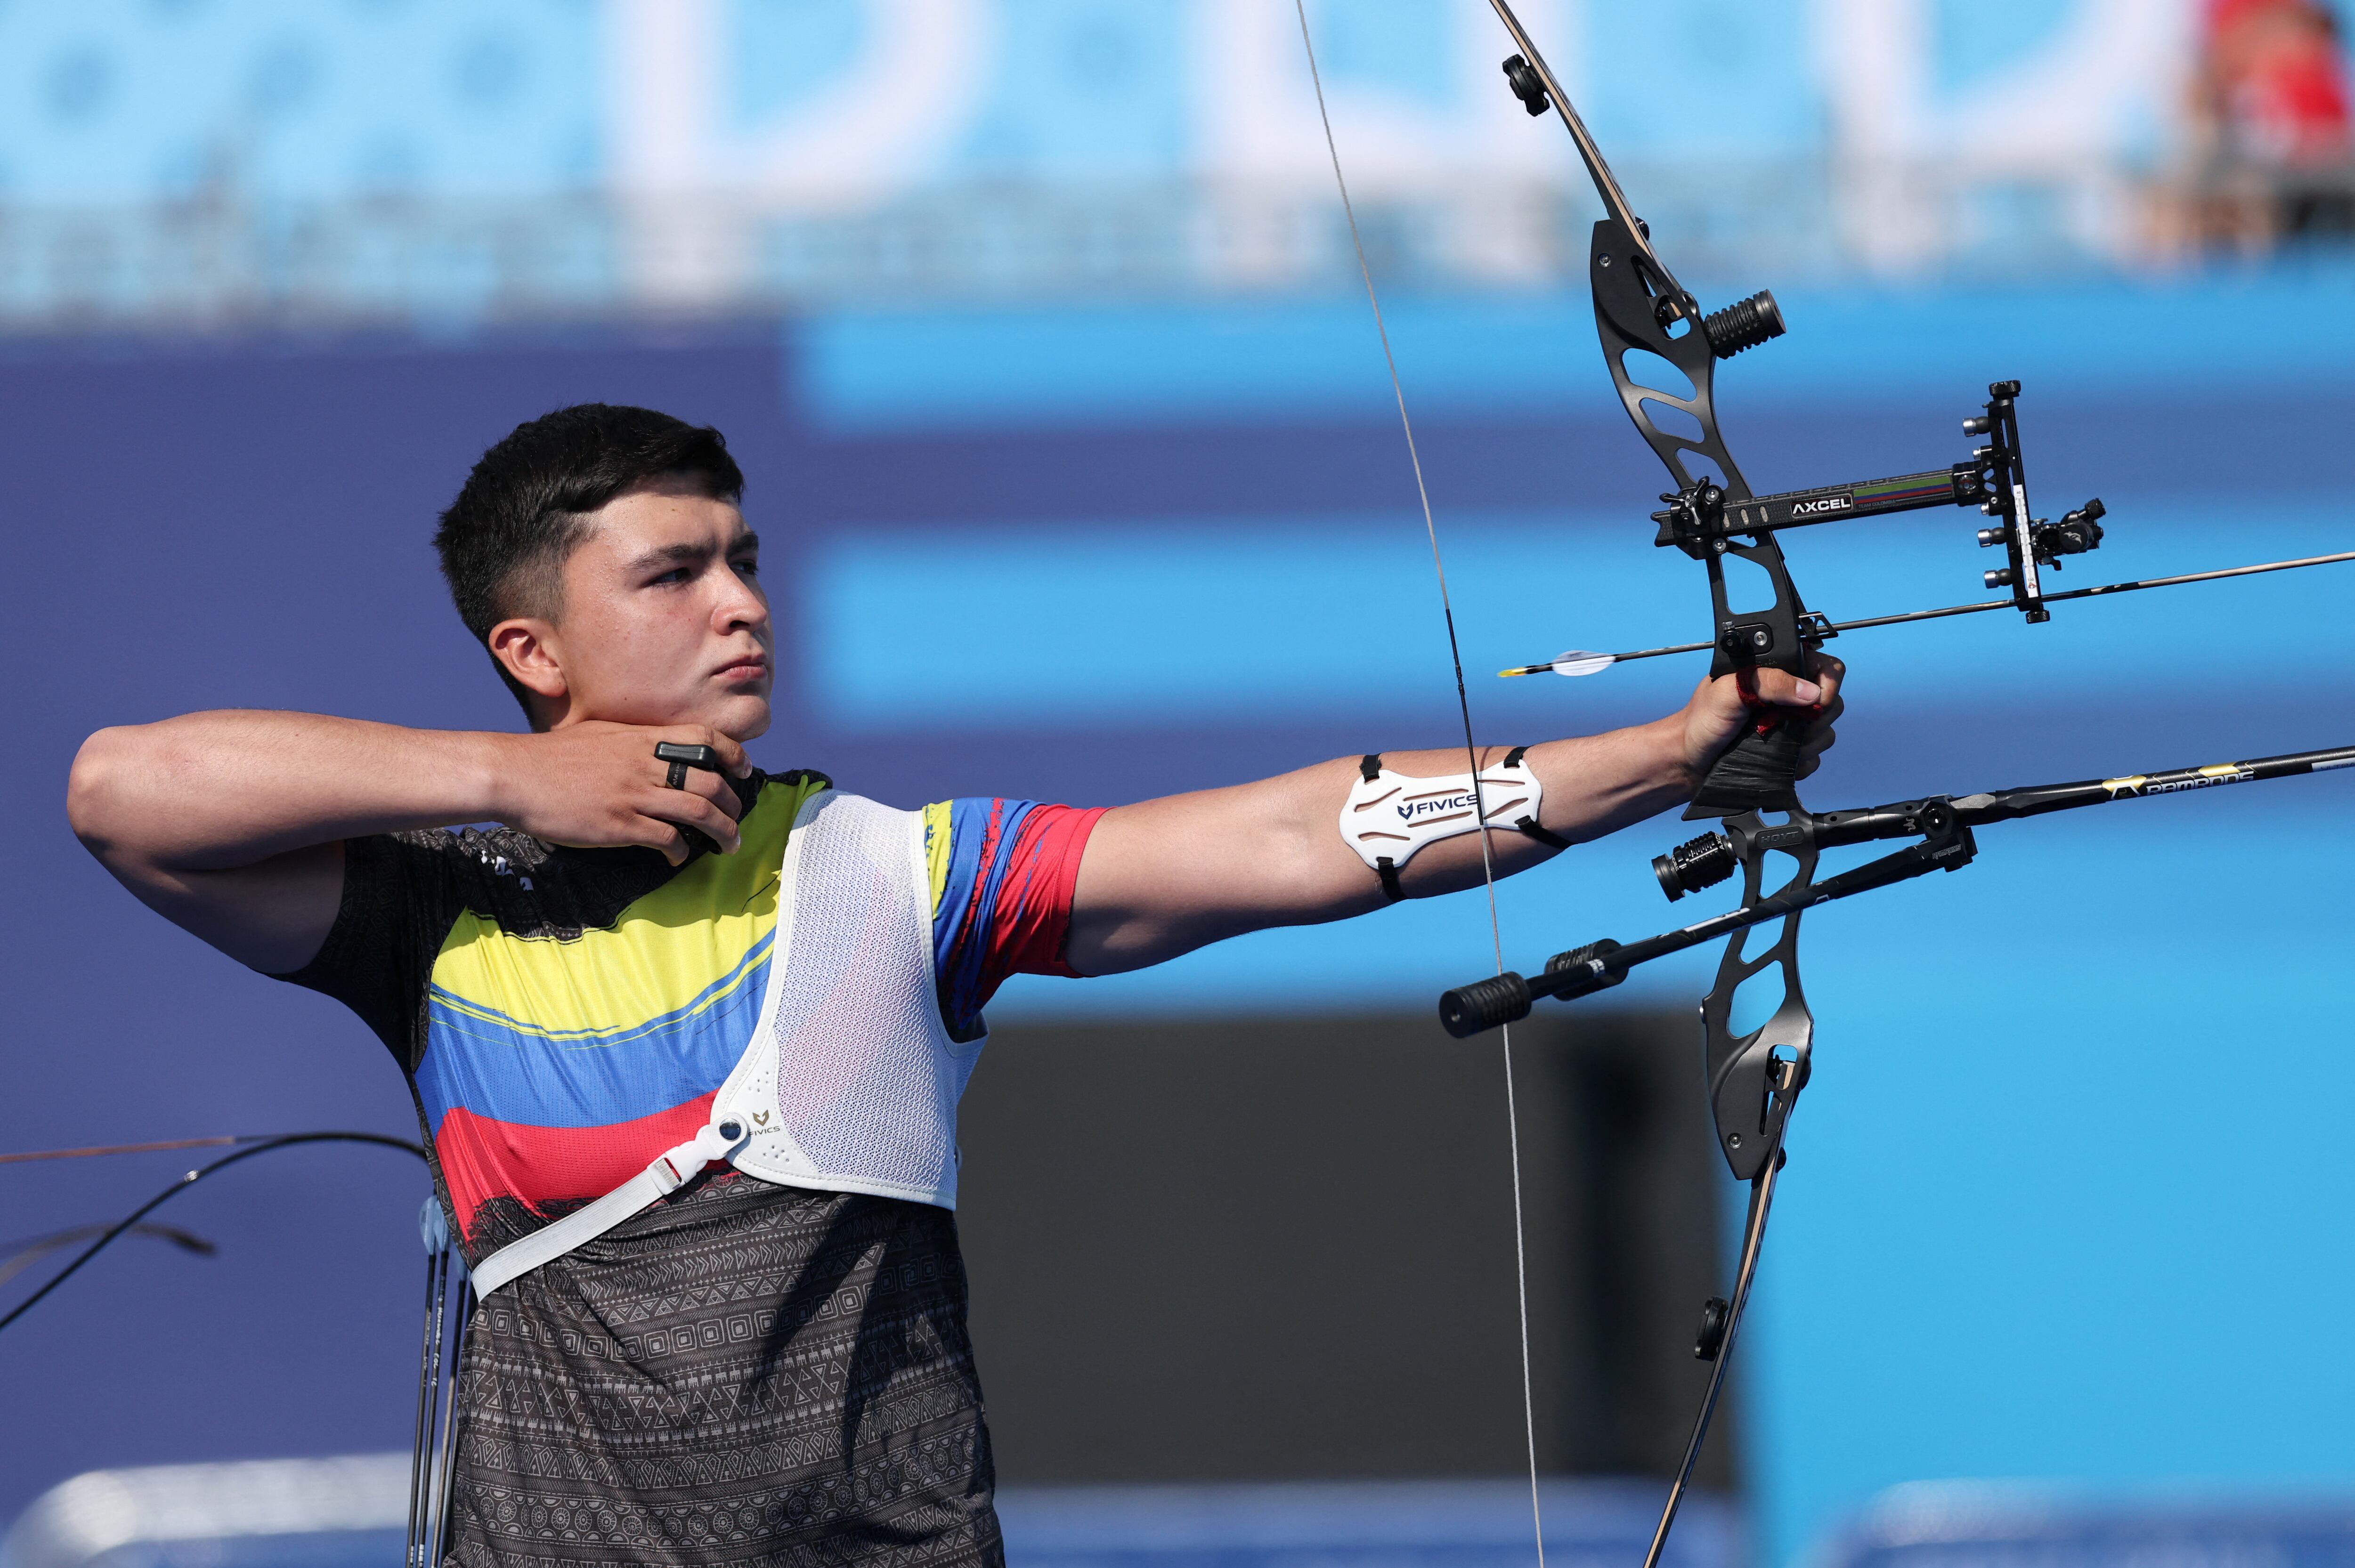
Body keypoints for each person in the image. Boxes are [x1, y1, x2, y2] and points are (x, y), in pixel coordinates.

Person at [66, 404, 1841, 1568]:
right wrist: (511, 780)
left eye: (744, 558)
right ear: (530, 649)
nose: (740, 603)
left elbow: (1303, 839)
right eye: (672, 574)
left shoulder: (897, 870)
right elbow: (123, 791)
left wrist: (1674, 754)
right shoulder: (430, 909)